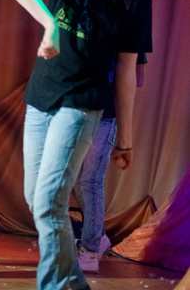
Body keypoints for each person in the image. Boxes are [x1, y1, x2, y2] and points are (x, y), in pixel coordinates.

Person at [0, 0, 152, 290]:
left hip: (83, 104)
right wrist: (48, 23)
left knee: (50, 199)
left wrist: (125, 140)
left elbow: (128, 70)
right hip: (42, 96)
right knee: (37, 199)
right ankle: (72, 283)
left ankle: (58, 285)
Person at [74, 54, 146, 273]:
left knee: (90, 181)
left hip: (103, 112)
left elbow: (137, 77)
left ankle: (91, 249)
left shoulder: (129, 36)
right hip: (78, 108)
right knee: (79, 180)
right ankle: (97, 237)